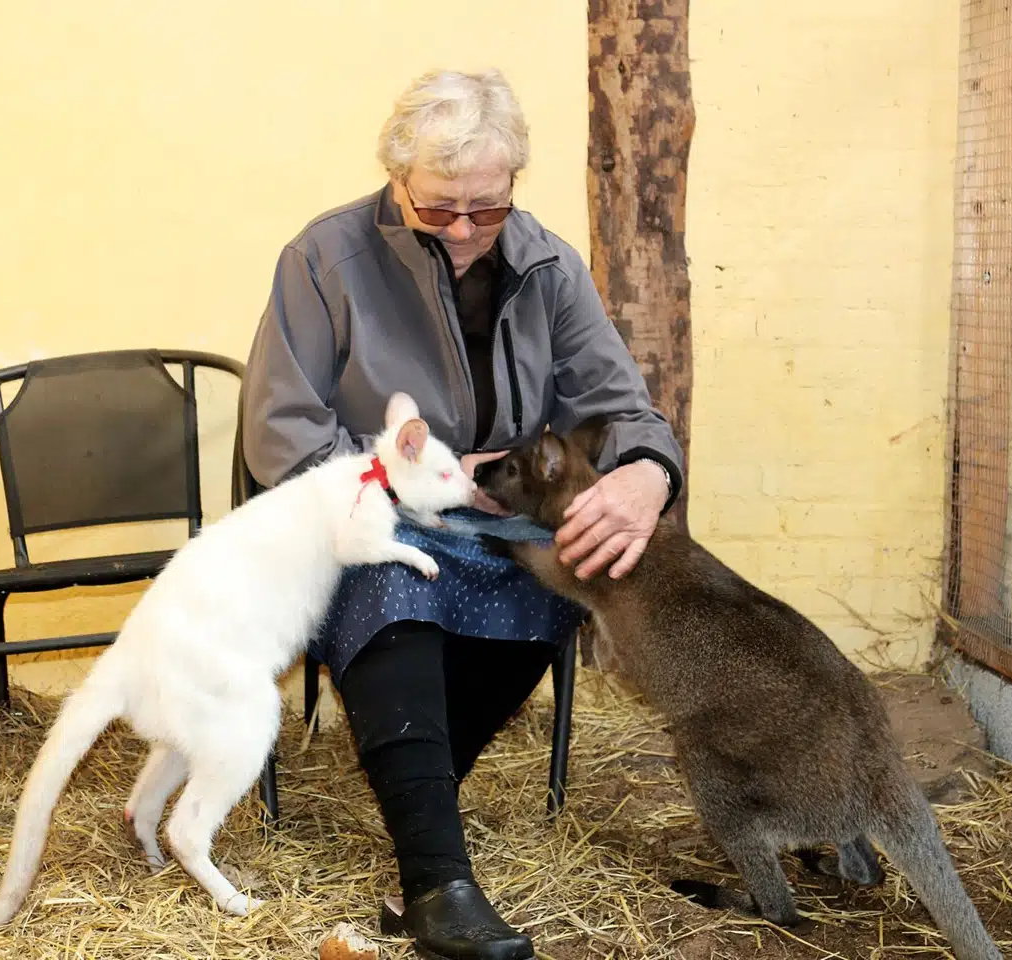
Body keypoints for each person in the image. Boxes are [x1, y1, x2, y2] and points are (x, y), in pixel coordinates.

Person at [240, 68, 684, 960]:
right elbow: (282, 437)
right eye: (440, 208)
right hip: (352, 512)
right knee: (392, 575)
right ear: (396, 177)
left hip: (491, 520)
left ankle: (420, 799)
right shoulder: (324, 260)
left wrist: (646, 475)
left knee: (571, 571)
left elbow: (627, 410)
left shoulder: (548, 264)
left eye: (488, 207)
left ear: (514, 182)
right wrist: (421, 484)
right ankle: (438, 886)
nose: (466, 231)